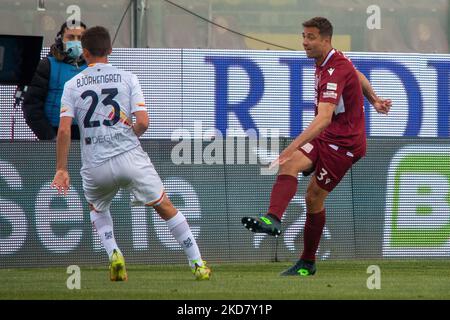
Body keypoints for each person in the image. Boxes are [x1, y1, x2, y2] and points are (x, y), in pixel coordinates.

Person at [50, 26, 211, 281]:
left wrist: (61, 168)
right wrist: (131, 132)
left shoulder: (72, 85)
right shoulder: (128, 78)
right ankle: (198, 264)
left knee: (97, 208)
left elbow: (63, 131)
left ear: (85, 53)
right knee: (164, 205)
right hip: (130, 157)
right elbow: (144, 122)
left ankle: (114, 253)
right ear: (110, 51)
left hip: (95, 162)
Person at [242, 17, 392, 276]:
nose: (304, 42)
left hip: (345, 145)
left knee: (313, 198)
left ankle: (307, 262)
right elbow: (358, 75)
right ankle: (273, 219)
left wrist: (289, 147)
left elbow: (322, 119)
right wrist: (375, 99)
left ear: (325, 40)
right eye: (303, 36)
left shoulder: (334, 69)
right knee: (290, 166)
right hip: (329, 136)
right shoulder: (330, 61)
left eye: (310, 38)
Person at [22, 21, 87, 140]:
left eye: (80, 38)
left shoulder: (94, 66)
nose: (76, 41)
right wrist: (50, 137)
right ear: (60, 39)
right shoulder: (46, 65)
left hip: (88, 138)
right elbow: (31, 106)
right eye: (71, 37)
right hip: (55, 133)